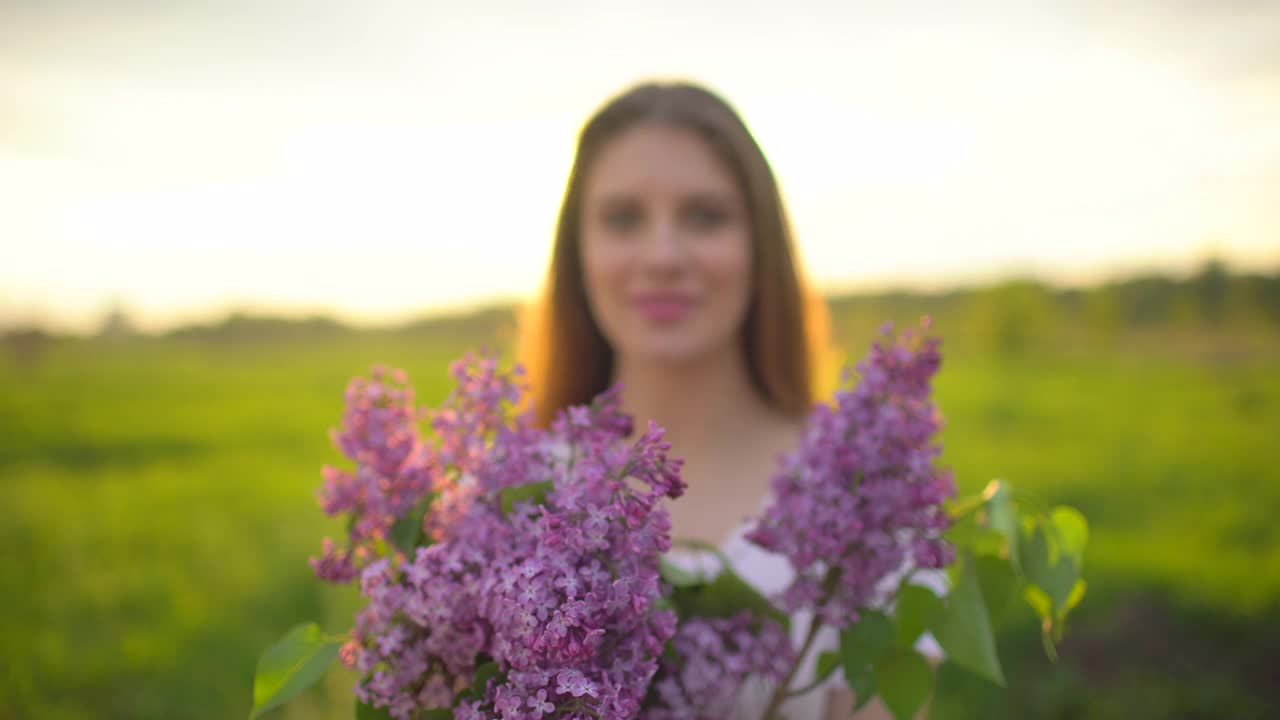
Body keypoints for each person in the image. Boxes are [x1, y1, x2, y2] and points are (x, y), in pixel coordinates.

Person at [519, 81, 926, 719]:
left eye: (705, 216)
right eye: (623, 218)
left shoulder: (869, 510)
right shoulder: (514, 495)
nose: (662, 255)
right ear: (579, 252)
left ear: (760, 246)